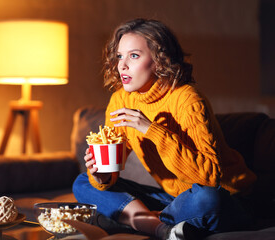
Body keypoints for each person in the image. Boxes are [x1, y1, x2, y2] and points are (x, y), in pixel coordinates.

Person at [72, 18, 257, 240]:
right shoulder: (120, 100)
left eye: (134, 55)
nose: (122, 65)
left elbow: (209, 178)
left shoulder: (186, 99)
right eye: (120, 56)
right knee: (83, 182)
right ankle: (160, 227)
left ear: (159, 61)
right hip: (171, 199)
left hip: (228, 197)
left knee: (207, 199)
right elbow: (110, 169)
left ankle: (134, 220)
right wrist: (101, 176)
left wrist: (151, 129)